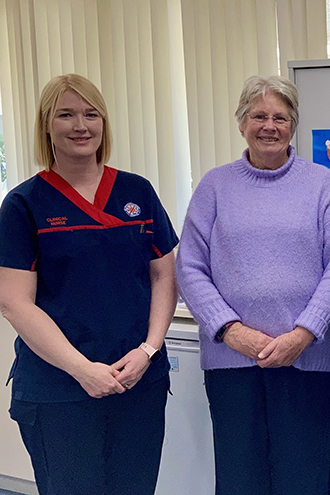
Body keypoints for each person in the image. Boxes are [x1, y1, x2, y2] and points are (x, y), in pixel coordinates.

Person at [176, 75, 330, 495]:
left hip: (305, 360)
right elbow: (189, 266)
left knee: (305, 478)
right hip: (232, 362)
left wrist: (303, 332)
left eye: (281, 117)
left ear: (293, 125)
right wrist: (230, 330)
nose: (269, 126)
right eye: (259, 116)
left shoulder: (321, 185)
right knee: (241, 479)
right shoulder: (215, 186)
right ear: (242, 123)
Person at [0, 74, 178, 495]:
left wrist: (148, 350)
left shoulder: (137, 192)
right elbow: (14, 303)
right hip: (59, 389)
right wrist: (83, 370)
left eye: (90, 114)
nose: (81, 125)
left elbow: (164, 274)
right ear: (47, 124)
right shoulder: (24, 205)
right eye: (66, 114)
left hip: (138, 381)